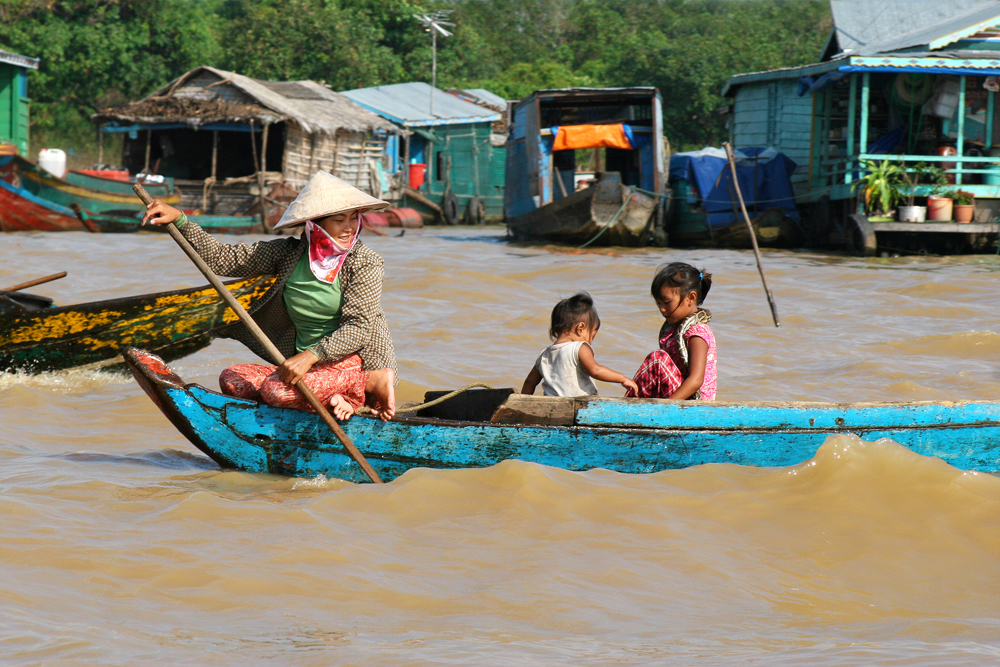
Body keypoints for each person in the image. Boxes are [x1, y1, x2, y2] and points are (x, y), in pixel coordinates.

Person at [141, 171, 396, 421]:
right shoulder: (289, 254)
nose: (350, 228)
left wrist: (310, 356)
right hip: (309, 368)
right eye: (340, 220)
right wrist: (181, 220)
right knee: (232, 379)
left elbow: (358, 328)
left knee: (275, 391)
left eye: (354, 218)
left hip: (353, 362)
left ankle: (366, 384)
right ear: (315, 224)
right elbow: (222, 259)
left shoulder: (364, 262)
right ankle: (331, 400)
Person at [626, 262, 716, 400]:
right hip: (677, 395)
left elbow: (696, 380)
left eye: (667, 303)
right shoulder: (673, 328)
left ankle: (630, 405)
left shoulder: (697, 332)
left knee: (658, 358)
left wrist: (667, 405)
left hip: (694, 403)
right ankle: (633, 403)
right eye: (659, 304)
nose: (662, 309)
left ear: (690, 298)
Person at [521, 292, 637, 397]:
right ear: (580, 328)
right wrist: (622, 379)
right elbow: (595, 370)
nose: (591, 340)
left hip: (551, 408)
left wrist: (524, 404)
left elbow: (529, 382)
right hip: (579, 408)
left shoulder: (545, 354)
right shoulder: (579, 347)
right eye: (592, 334)